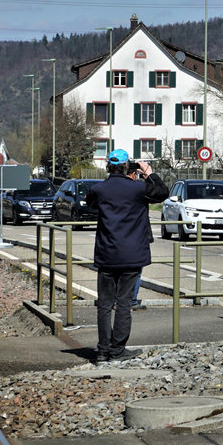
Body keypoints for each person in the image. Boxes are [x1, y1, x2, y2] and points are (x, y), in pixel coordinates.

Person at [86, 149, 169, 362]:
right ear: (126, 166)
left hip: (106, 254)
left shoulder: (99, 189)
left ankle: (103, 351)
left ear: (108, 166)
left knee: (104, 304)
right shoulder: (139, 189)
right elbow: (162, 192)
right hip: (132, 254)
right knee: (123, 303)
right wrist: (149, 172)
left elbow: (91, 204)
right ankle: (118, 350)